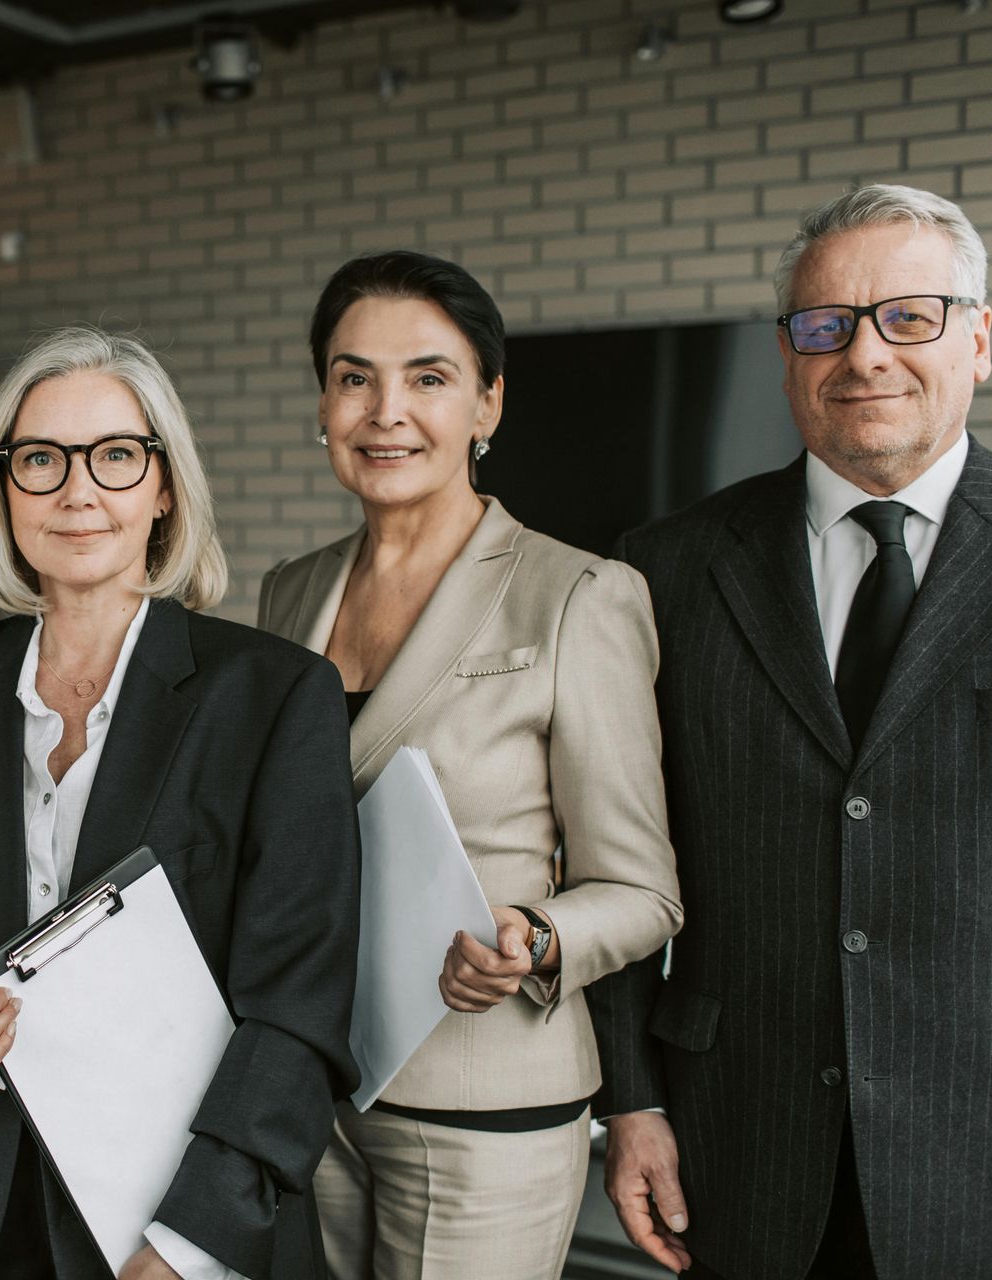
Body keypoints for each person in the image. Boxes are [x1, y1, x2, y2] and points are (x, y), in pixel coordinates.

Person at [589, 183, 992, 1280]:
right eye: (825, 325)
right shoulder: (665, 566)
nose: (864, 355)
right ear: (790, 353)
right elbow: (603, 847)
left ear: (978, 339)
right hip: (736, 1138)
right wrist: (633, 1099)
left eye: (908, 316)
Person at [0, 327, 361, 1280]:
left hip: (176, 1218)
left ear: (165, 487)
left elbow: (299, 1008)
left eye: (116, 457)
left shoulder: (275, 697)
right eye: (40, 459)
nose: (77, 490)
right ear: (3, 488)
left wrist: (188, 1243)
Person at [259, 250, 684, 1279]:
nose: (384, 410)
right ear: (323, 401)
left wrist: (535, 935)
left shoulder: (577, 593)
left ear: (488, 404)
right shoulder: (288, 592)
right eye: (354, 376)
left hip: (487, 1100)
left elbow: (643, 890)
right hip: (317, 1088)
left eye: (429, 377)